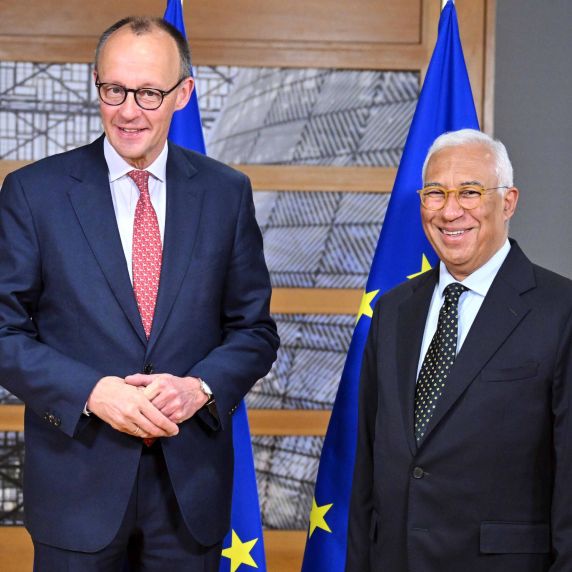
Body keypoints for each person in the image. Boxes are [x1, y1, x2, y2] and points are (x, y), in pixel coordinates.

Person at [0, 16, 279, 571]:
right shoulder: (35, 193)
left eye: (150, 93)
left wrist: (200, 387)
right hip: (76, 491)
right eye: (114, 90)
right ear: (97, 85)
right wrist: (91, 392)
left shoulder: (226, 194)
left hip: (189, 493)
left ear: (183, 94)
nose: (129, 111)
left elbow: (254, 331)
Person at [346, 129, 572, 571]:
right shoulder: (392, 311)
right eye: (435, 193)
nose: (450, 211)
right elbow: (368, 475)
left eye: (470, 192)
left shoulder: (560, 311)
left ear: (507, 202)